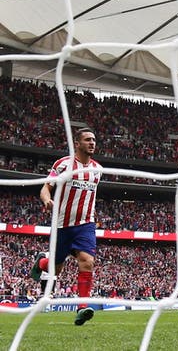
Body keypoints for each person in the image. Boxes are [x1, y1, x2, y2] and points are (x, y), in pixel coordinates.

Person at [29, 128, 102, 326]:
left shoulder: (97, 170)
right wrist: (47, 200)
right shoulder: (62, 165)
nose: (92, 143)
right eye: (87, 140)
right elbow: (46, 188)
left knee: (87, 261)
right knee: (55, 269)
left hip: (85, 224)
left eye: (94, 140)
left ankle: (82, 307)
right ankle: (42, 262)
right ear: (77, 143)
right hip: (62, 225)